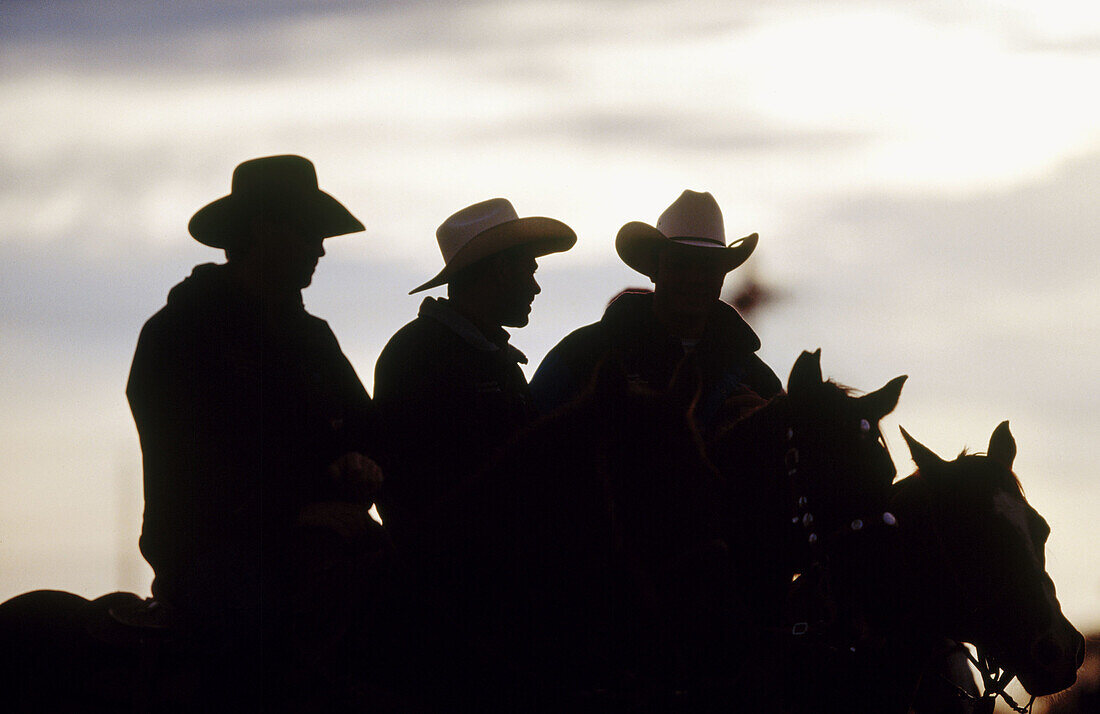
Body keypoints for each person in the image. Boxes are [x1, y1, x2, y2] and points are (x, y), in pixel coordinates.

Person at [125, 155, 384, 702]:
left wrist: (361, 459)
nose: (320, 247)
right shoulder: (179, 334)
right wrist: (299, 509)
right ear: (263, 229)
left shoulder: (313, 336)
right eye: (309, 231)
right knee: (259, 648)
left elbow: (366, 425)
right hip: (213, 553)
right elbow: (194, 462)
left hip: (322, 538)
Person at [373, 197, 576, 543]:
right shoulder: (422, 354)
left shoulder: (460, 352)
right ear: (501, 270)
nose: (535, 286)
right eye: (529, 270)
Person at [530, 189, 781, 436]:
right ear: (654, 268)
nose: (694, 278)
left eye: (707, 265)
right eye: (682, 263)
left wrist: (767, 430)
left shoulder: (583, 353)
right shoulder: (581, 355)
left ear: (722, 276)